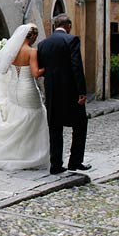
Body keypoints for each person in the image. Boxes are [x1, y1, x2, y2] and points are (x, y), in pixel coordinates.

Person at [0, 24, 50, 171]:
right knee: (33, 117)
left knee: (16, 118)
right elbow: (36, 73)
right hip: (27, 88)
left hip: (13, 89)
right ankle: (29, 156)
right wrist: (48, 67)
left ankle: (13, 153)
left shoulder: (11, 51)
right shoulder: (31, 52)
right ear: (32, 36)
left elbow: (2, 70)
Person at [37, 14, 90, 175]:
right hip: (70, 92)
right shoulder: (71, 40)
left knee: (55, 128)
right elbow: (76, 66)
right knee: (80, 125)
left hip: (52, 91)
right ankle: (75, 161)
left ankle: (56, 165)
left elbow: (42, 67)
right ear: (68, 26)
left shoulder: (42, 44)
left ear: (54, 26)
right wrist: (82, 91)